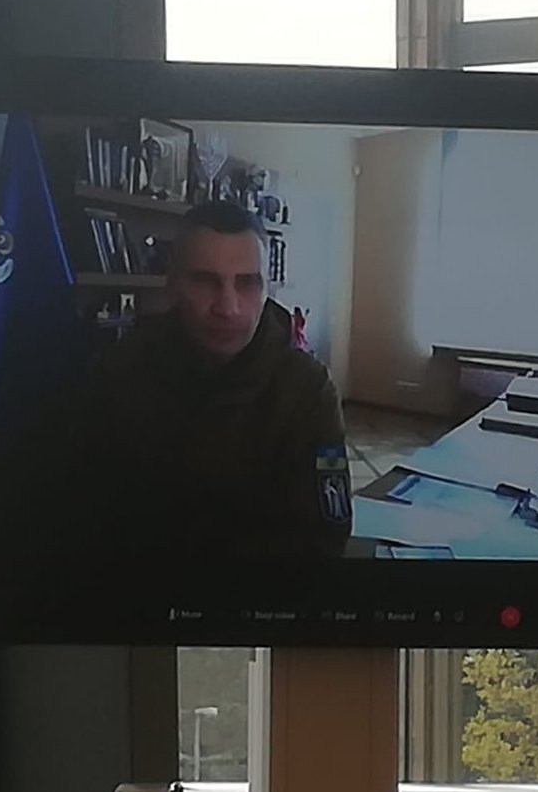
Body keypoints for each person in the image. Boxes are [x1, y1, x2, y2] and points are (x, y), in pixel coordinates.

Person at [76, 201, 352, 559]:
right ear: (173, 282)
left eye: (247, 283)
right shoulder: (117, 372)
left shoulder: (309, 391)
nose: (228, 308)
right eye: (205, 281)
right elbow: (81, 509)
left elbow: (325, 532)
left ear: (268, 288)